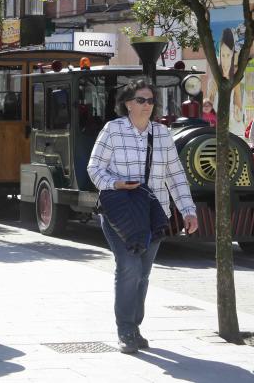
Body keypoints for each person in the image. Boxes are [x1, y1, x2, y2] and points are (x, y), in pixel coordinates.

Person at [87, 79, 198, 354]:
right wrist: (115, 184)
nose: (147, 105)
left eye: (150, 101)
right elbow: (94, 167)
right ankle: (125, 328)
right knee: (129, 267)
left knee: (143, 273)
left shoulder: (161, 134)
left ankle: (135, 326)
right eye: (141, 100)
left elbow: (175, 174)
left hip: (153, 212)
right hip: (120, 212)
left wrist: (188, 210)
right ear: (128, 103)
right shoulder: (112, 130)